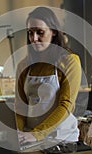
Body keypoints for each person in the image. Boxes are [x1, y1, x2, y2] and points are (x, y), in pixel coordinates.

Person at [15, 7, 82, 144]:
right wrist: (20, 134)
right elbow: (21, 106)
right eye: (30, 33)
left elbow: (66, 105)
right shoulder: (23, 66)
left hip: (62, 138)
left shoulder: (69, 62)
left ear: (54, 33)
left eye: (40, 32)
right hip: (31, 137)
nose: (34, 38)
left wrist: (38, 134)